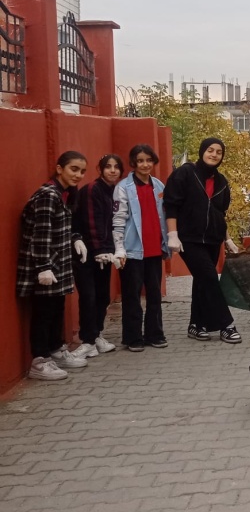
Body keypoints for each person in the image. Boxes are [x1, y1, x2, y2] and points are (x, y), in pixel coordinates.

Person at [19, 151, 89, 380]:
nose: (78, 175)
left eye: (82, 171)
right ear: (59, 168)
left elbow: (62, 227)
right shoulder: (48, 195)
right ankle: (39, 361)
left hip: (59, 265)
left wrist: (75, 238)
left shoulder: (65, 194)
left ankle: (56, 349)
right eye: (73, 169)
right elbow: (41, 234)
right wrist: (43, 267)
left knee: (57, 308)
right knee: (44, 312)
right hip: (45, 267)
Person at [165, 138, 243, 344]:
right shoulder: (185, 173)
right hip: (188, 239)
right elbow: (171, 205)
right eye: (210, 150)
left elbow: (220, 213)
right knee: (209, 278)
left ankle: (196, 325)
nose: (214, 155)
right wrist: (172, 234)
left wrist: (227, 239)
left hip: (212, 239)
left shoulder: (222, 181)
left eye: (219, 152)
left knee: (201, 281)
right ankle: (226, 324)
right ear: (202, 151)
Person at [113, 144, 171, 352]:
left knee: (155, 295)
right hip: (132, 251)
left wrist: (168, 242)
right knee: (132, 296)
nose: (145, 164)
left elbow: (164, 216)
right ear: (133, 163)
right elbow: (119, 219)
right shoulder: (123, 187)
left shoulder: (159, 186)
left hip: (154, 249)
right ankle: (132, 337)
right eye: (140, 161)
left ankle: (155, 334)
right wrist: (119, 248)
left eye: (148, 160)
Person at [71, 153, 121, 358]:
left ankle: (96, 334)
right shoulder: (93, 189)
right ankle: (87, 340)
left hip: (105, 252)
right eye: (108, 166)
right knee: (89, 296)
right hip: (86, 252)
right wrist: (100, 250)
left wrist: (111, 250)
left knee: (102, 295)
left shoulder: (114, 192)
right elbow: (93, 221)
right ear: (100, 169)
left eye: (116, 167)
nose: (112, 170)